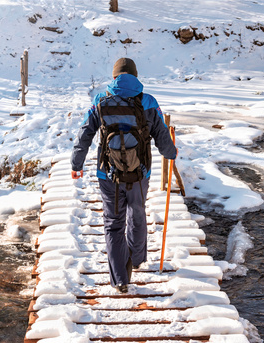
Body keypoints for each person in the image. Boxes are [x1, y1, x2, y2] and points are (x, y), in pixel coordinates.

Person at [71, 57, 177, 293]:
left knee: (113, 223)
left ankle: (120, 279)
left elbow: (84, 134)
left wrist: (76, 164)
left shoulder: (101, 101)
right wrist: (171, 153)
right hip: (140, 173)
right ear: (136, 76)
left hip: (108, 174)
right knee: (137, 213)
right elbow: (160, 133)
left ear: (115, 76)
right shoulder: (148, 101)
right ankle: (137, 259)